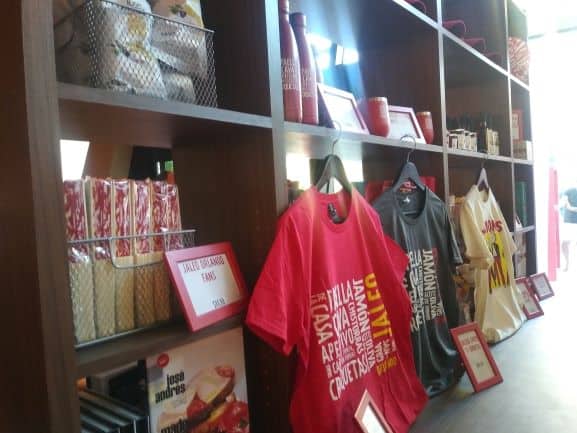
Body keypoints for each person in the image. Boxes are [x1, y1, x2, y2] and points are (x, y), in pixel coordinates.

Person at [560, 185, 577, 271]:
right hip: (569, 221)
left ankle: (568, 264)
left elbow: (566, 205)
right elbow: (564, 203)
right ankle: (567, 263)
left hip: (570, 221)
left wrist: (570, 207)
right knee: (565, 243)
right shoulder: (569, 190)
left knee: (566, 244)